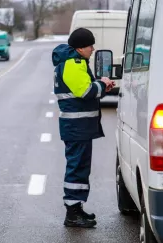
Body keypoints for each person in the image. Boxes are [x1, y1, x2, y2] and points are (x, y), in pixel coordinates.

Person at [51, 28, 115, 228]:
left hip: (79, 127)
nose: (93, 49)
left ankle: (76, 208)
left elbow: (84, 90)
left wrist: (102, 87)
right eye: (90, 45)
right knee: (77, 169)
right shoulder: (73, 64)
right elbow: (86, 91)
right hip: (77, 127)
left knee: (80, 169)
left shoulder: (74, 63)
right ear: (80, 48)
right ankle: (72, 213)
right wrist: (102, 84)